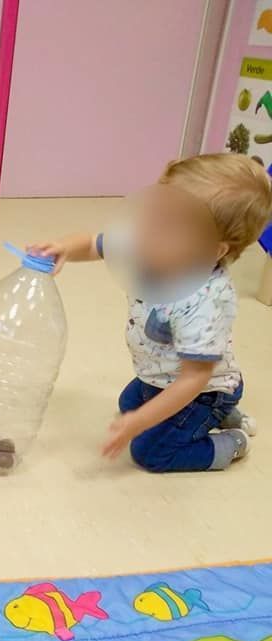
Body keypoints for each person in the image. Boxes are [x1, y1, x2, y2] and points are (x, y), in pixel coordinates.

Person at [30, 153, 270, 472]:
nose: (146, 230)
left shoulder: (204, 303)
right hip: (158, 375)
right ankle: (224, 415)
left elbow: (194, 379)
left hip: (204, 390)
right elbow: (93, 244)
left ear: (213, 250)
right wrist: (63, 248)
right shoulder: (151, 243)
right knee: (127, 404)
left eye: (167, 227)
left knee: (149, 452)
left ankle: (232, 440)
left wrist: (140, 422)